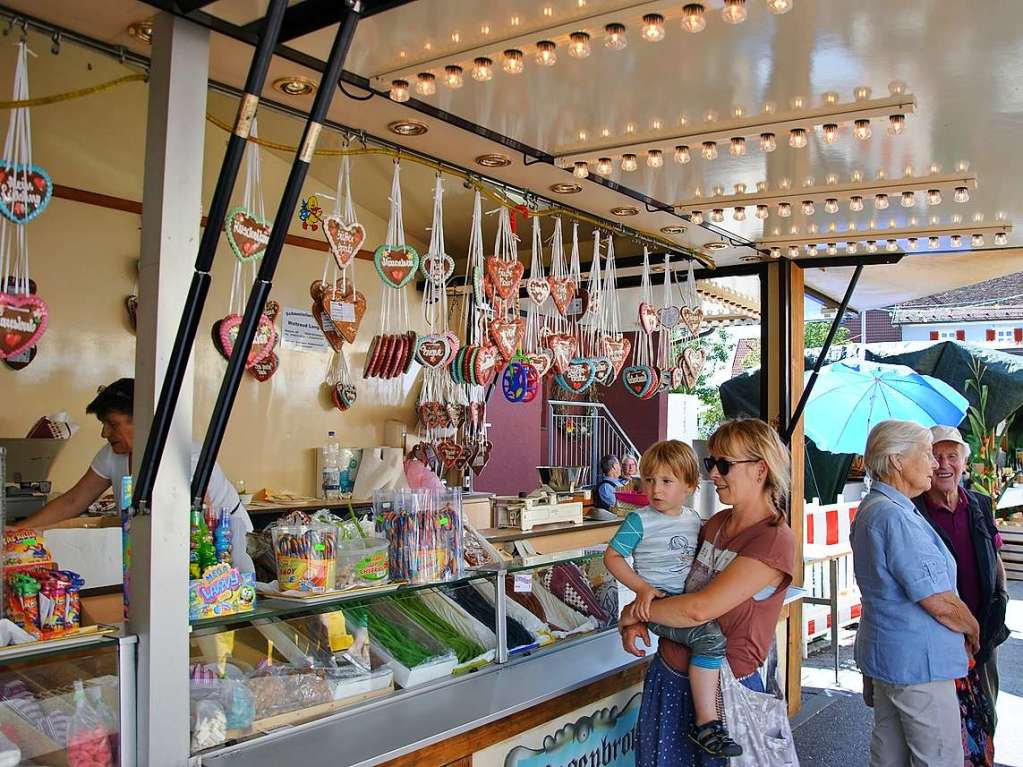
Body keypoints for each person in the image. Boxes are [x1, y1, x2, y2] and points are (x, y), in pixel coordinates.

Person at [619, 419, 795, 766]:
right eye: (710, 463)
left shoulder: (773, 540)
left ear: (761, 469)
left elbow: (700, 609)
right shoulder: (714, 524)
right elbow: (672, 585)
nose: (713, 473)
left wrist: (634, 613)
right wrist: (640, 612)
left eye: (724, 464)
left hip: (726, 693)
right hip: (669, 675)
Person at [19, 378, 255, 572]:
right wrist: (19, 533)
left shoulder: (184, 457)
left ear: (142, 421)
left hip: (224, 551)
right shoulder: (113, 453)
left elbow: (196, 525)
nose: (104, 433)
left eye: (112, 424)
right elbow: (74, 500)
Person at [851, 419, 976, 767]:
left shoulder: (879, 508)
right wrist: (972, 628)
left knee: (890, 753)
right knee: (938, 757)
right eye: (926, 453)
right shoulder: (895, 516)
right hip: (919, 663)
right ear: (897, 461)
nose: (935, 464)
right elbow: (937, 600)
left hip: (893, 658)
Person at [604, 440, 740, 758]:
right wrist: (642, 590)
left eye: (667, 481)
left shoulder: (693, 519)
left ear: (689, 486)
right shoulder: (639, 520)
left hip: (682, 600)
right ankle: (707, 723)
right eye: (650, 480)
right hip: (659, 603)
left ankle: (630, 619)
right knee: (709, 638)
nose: (656, 489)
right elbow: (613, 557)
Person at [913, 425, 1008, 757]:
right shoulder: (915, 511)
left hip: (983, 631)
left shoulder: (980, 504)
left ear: (963, 464)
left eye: (952, 456)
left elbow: (994, 555)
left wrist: (1001, 599)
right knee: (942, 726)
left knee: (986, 715)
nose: (944, 465)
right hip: (939, 635)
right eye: (936, 456)